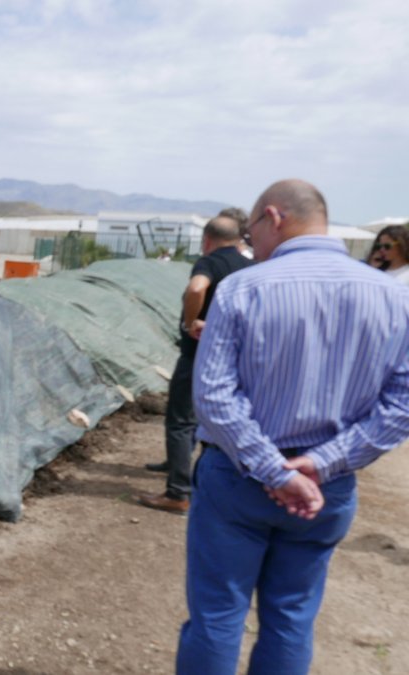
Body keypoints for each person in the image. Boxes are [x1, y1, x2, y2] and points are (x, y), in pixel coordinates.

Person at [176, 179, 409, 674]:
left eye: (250, 229)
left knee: (218, 616)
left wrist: (273, 470)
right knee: (290, 620)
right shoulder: (392, 297)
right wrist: (321, 464)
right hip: (325, 491)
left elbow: (214, 395)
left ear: (274, 217)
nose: (249, 242)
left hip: (238, 481)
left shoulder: (242, 288)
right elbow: (401, 404)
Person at [137, 214, 252, 514]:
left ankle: (177, 492)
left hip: (200, 355)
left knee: (180, 420)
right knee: (210, 419)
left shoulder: (210, 262)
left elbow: (196, 289)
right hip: (235, 358)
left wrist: (191, 323)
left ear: (207, 241)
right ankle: (184, 468)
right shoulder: (250, 267)